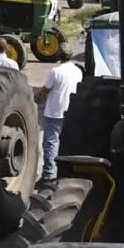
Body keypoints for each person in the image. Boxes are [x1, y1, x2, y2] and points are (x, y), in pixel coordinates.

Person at [38, 42, 83, 182]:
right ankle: (67, 173)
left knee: (51, 143)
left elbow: (45, 90)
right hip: (71, 111)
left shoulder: (55, 71)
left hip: (54, 112)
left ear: (58, 55)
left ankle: (49, 174)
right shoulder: (77, 71)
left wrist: (36, 98)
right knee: (68, 142)